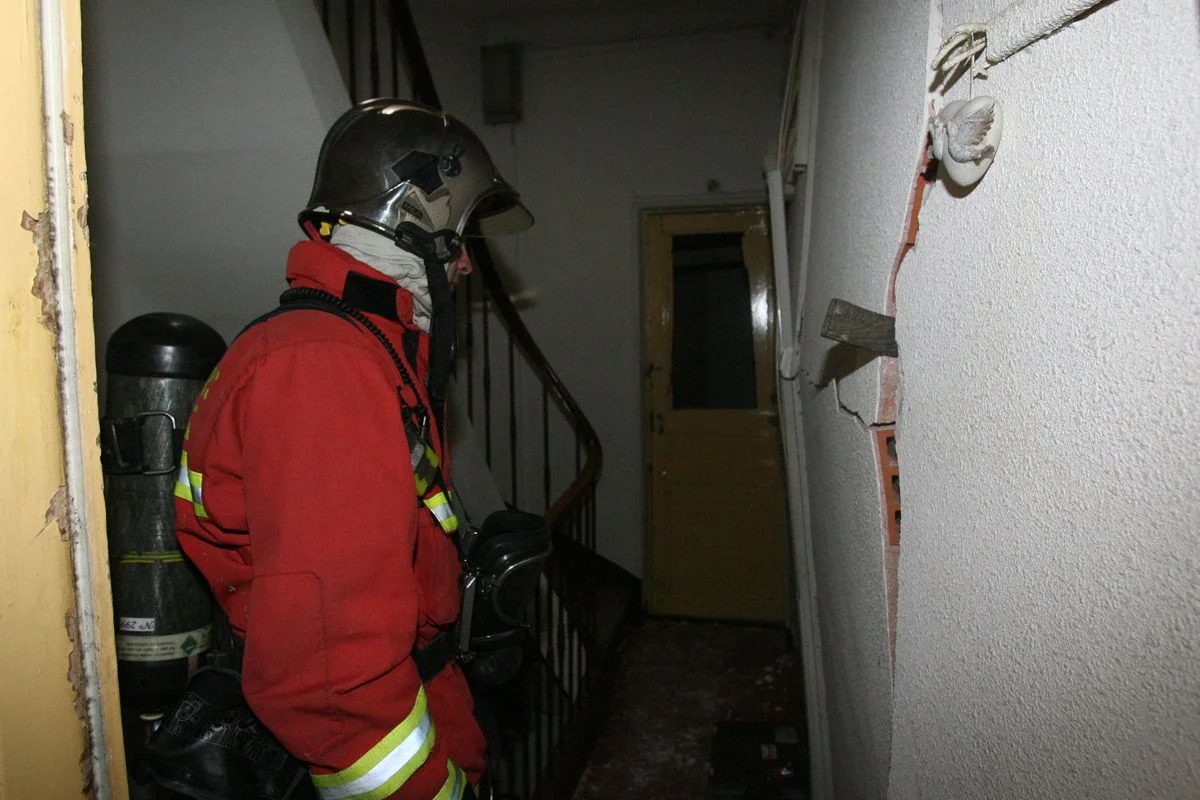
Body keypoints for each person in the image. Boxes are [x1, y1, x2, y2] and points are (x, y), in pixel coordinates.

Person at [173, 98, 533, 800]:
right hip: (384, 746)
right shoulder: (324, 366)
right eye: (457, 242)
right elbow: (328, 679)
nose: (463, 269)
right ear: (410, 225)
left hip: (423, 695)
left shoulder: (359, 346)